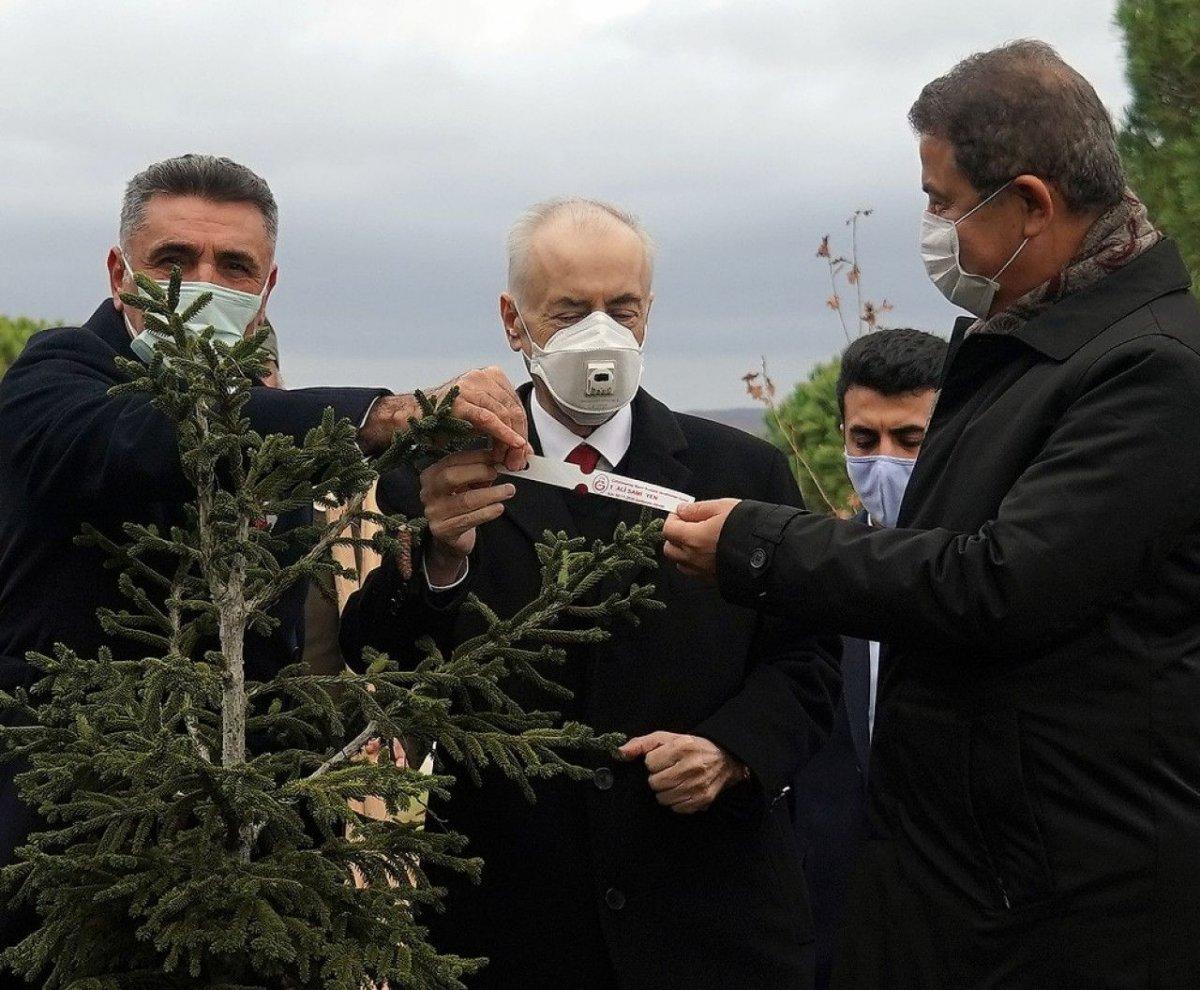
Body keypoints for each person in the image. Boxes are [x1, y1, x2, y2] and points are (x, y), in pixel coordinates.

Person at [662, 41, 1200, 989]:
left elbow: (998, 583)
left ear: (1031, 204)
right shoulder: (1022, 346)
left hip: (1066, 901)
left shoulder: (1150, 370)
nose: (933, 225)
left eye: (945, 201)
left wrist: (761, 542)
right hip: (964, 876)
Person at [0, 154, 530, 942]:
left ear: (267, 287)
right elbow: (141, 443)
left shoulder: (266, 425)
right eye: (173, 261)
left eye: (234, 266)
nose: (201, 283)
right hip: (65, 854)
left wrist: (437, 541)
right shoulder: (57, 378)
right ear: (120, 272)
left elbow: (300, 646)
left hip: (242, 867)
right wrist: (380, 413)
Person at [340, 197, 841, 989]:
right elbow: (381, 659)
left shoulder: (741, 473)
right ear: (515, 320)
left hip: (708, 916)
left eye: (622, 308)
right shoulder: (443, 471)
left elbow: (810, 659)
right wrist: (439, 556)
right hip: (514, 921)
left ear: (649, 315)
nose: (599, 334)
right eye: (569, 311)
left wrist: (734, 750)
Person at [791, 328, 946, 990]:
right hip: (828, 934)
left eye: (911, 441)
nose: (884, 461)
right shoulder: (812, 578)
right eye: (865, 440)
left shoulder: (1001, 580)